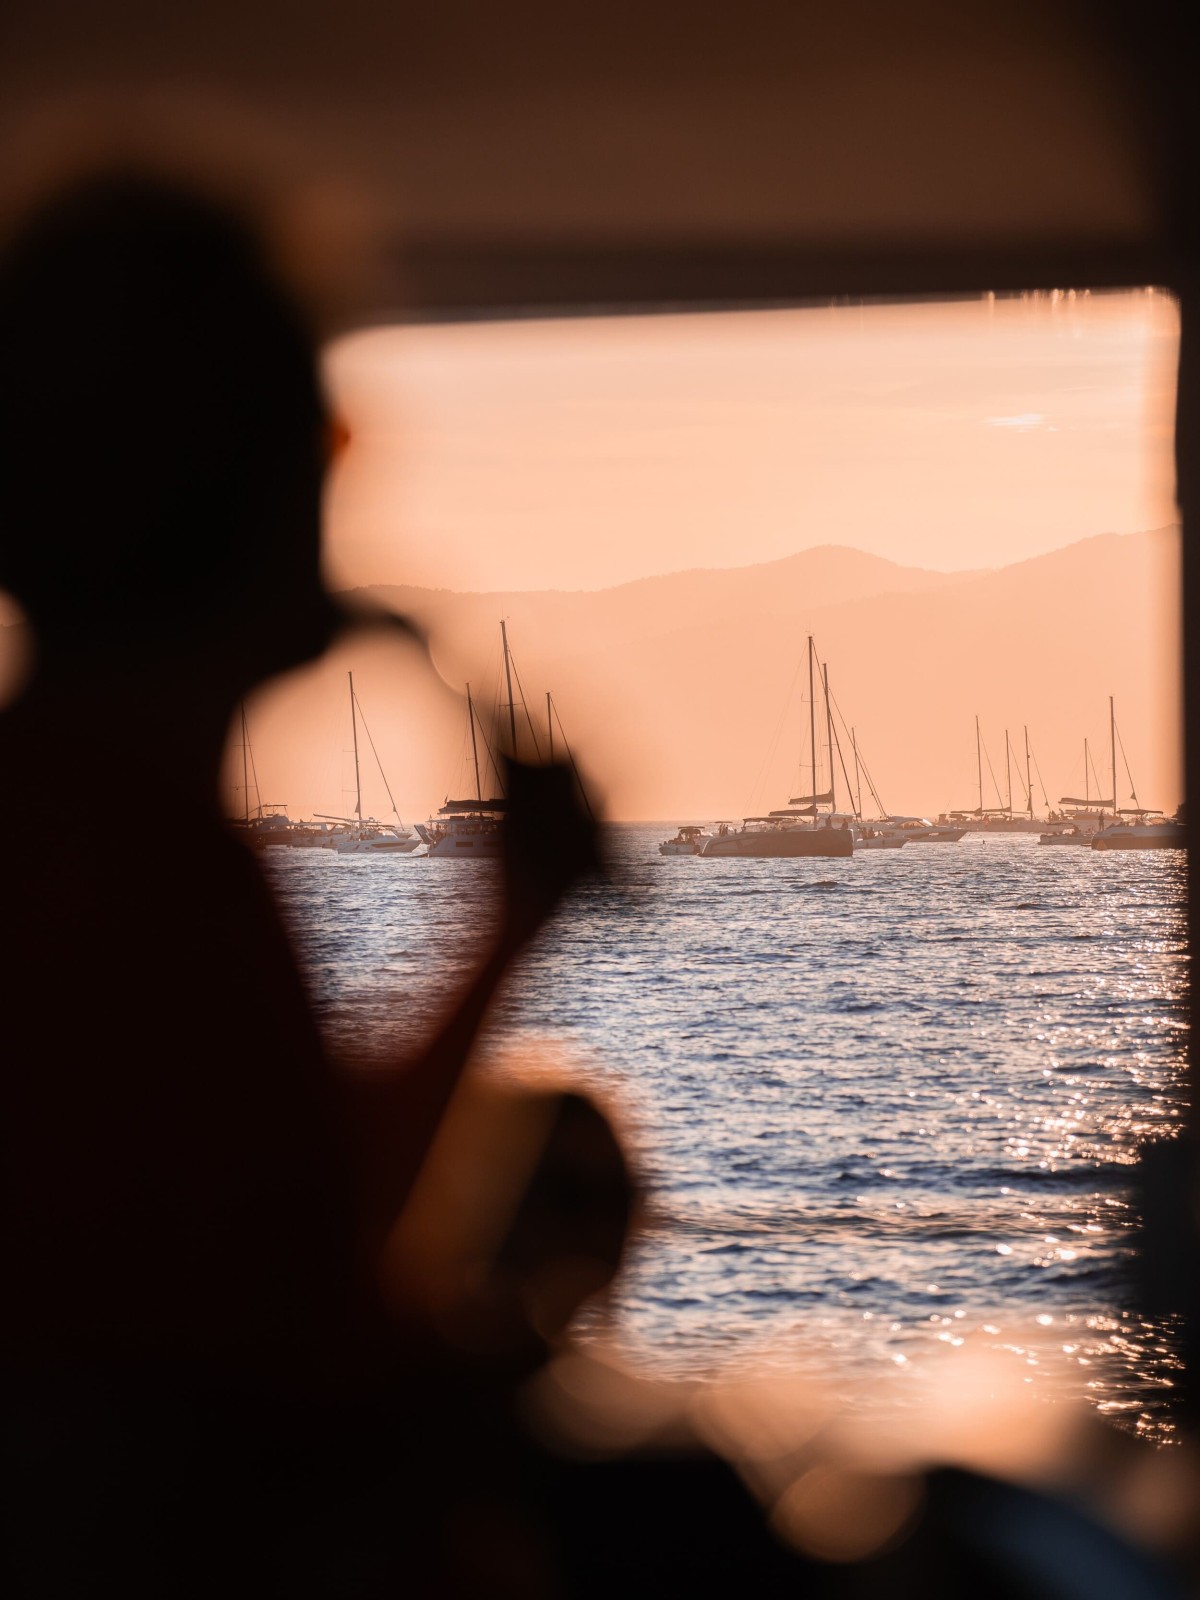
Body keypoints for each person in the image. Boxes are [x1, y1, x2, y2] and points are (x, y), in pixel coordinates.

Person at [0, 167, 596, 1595]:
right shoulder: (120, 874)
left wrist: (511, 914)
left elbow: (283, 1234)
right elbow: (283, 1350)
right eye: (321, 435)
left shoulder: (95, 824)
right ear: (262, 474)